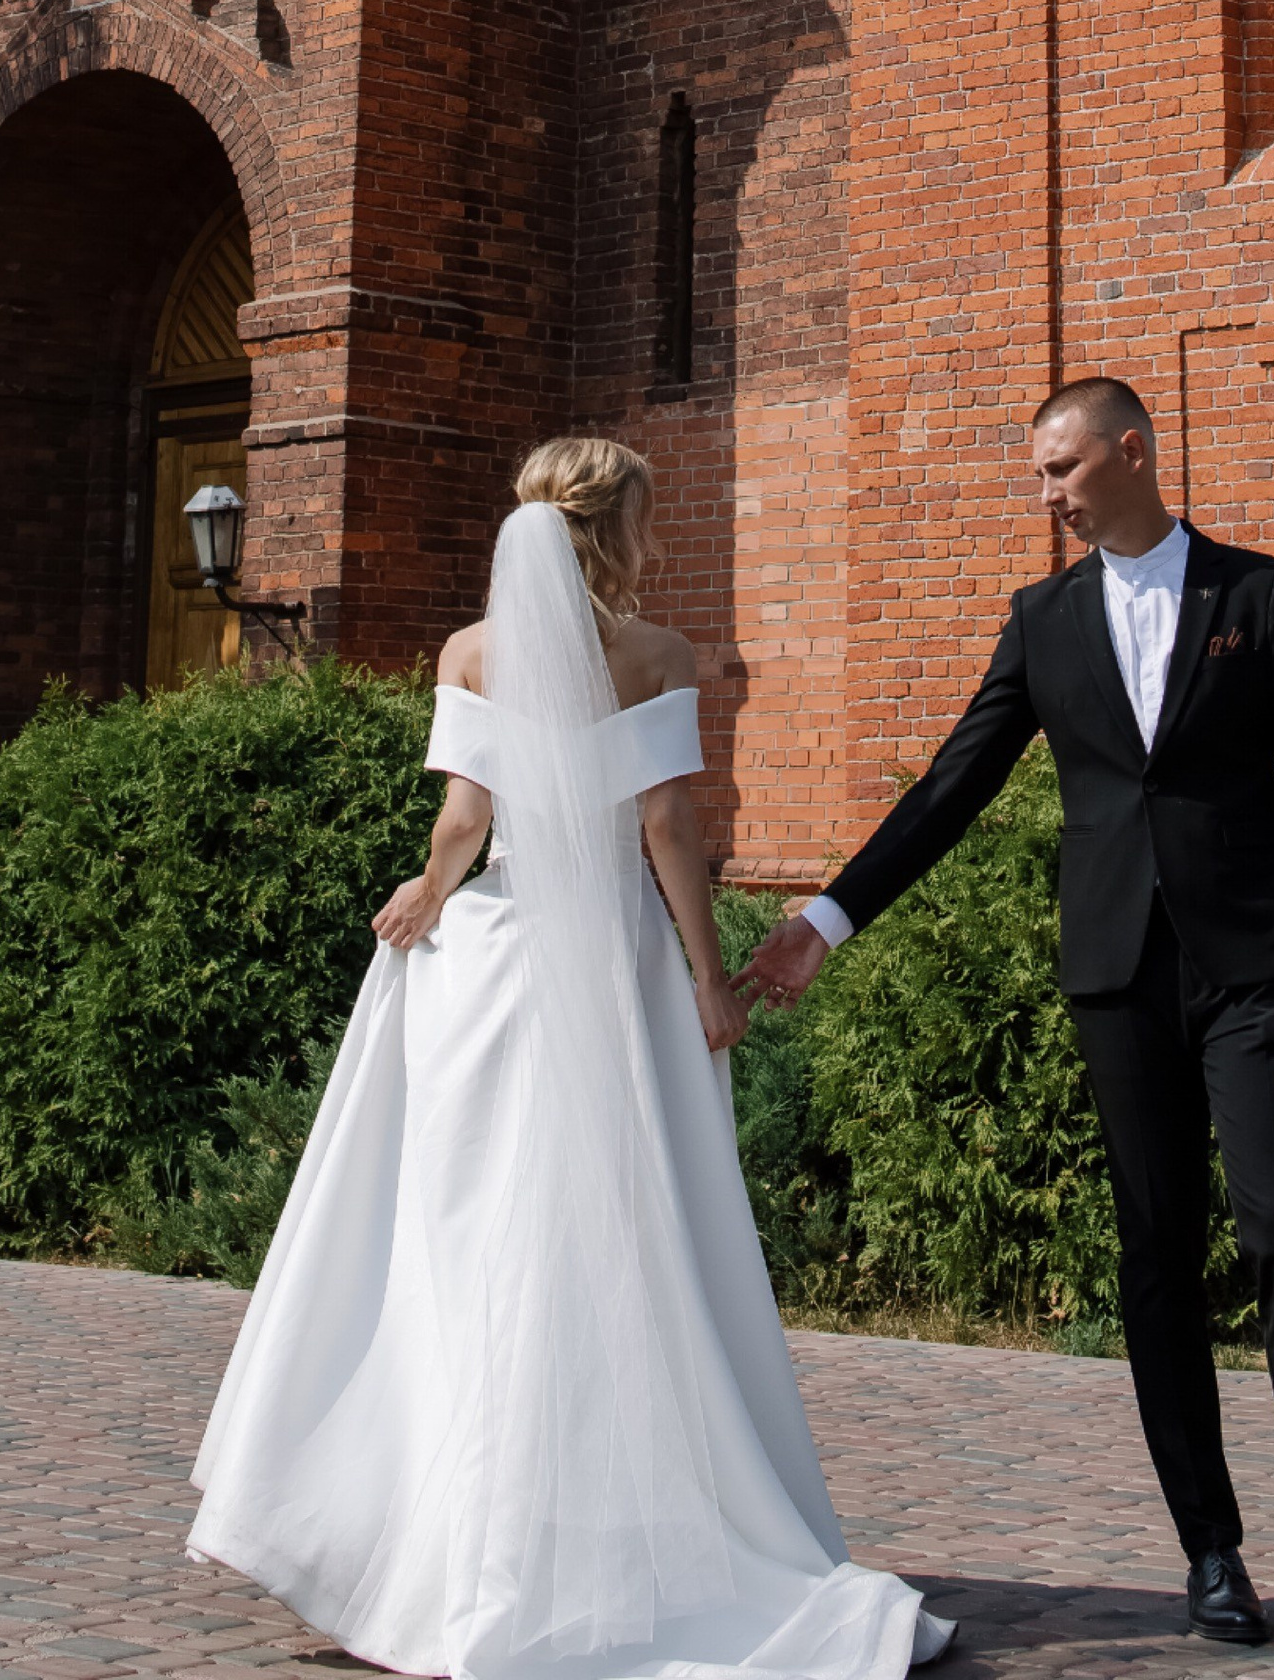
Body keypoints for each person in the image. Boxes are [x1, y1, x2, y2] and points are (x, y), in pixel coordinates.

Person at [190, 434, 950, 1680]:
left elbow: (462, 821)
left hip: (486, 959)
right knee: (620, 1238)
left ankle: (436, 1539)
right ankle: (609, 1524)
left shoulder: (470, 653)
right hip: (608, 963)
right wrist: (709, 980)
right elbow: (663, 824)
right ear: (621, 525)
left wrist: (427, 892)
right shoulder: (656, 656)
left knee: (464, 1236)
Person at [744, 379, 1274, 1670]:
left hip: (1253, 970)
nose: (1045, 495)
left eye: (1060, 467)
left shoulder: (1257, 592)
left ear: (1130, 452)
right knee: (1155, 1251)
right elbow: (955, 782)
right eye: (1040, 474)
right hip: (1116, 971)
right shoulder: (1040, 621)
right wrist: (827, 920)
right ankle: (1211, 1553)